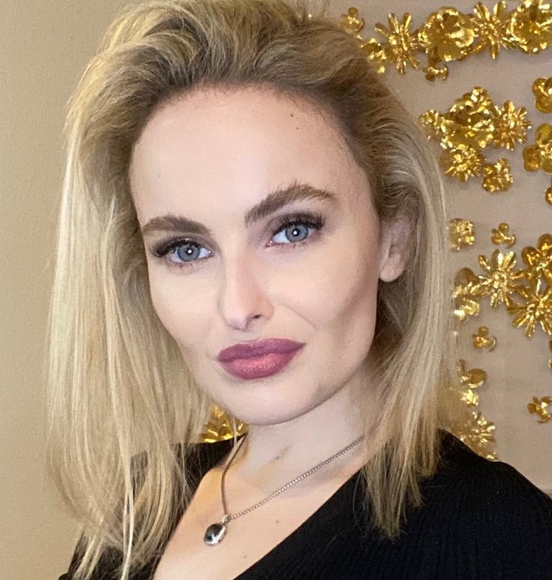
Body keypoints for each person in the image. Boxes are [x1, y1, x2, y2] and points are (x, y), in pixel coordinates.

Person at [49, 0, 552, 578]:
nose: (239, 306)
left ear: (394, 239)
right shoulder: (141, 504)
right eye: (186, 249)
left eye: (293, 230)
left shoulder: (501, 537)